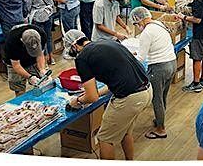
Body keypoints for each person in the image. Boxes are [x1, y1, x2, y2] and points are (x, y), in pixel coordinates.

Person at [64, 30, 152, 160]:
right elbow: (118, 79)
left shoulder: (82, 57)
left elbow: (92, 98)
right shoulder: (107, 43)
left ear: (74, 46)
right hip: (147, 91)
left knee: (104, 139)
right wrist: (95, 92)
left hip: (130, 98)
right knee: (125, 132)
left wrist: (76, 101)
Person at [128, 7, 177, 139]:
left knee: (156, 99)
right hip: (172, 62)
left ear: (139, 20)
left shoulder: (147, 33)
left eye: (136, 24)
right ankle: (159, 120)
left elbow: (141, 59)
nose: (137, 27)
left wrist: (127, 59)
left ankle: (161, 129)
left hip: (159, 68)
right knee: (163, 96)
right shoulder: (158, 24)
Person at [4, 24, 49, 96]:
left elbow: (40, 55)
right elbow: (16, 65)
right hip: (16, 63)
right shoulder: (12, 41)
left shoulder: (42, 34)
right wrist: (30, 77)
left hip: (33, 61)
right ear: (22, 41)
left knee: (45, 83)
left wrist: (42, 70)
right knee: (19, 90)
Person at [24, 0, 55, 65]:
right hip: (48, 14)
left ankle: (44, 61)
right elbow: (50, 2)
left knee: (40, 39)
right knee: (49, 36)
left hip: (38, 17)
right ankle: (51, 57)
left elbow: (28, 6)